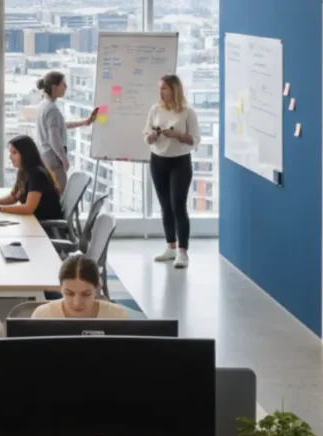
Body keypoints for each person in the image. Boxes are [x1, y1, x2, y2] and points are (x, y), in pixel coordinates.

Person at [144, 74, 201, 269]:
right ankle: (170, 246)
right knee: (165, 205)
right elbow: (146, 134)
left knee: (178, 205)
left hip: (180, 162)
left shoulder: (188, 112)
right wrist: (152, 136)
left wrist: (176, 135)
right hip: (158, 160)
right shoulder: (155, 109)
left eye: (164, 88)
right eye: (160, 88)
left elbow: (195, 140)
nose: (161, 92)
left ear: (174, 90)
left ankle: (183, 251)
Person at [35, 71, 98, 196]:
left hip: (46, 157)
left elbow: (61, 126)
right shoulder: (52, 109)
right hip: (54, 160)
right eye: (63, 84)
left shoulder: (44, 105)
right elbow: (54, 138)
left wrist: (85, 122)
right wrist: (64, 159)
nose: (66, 87)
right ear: (54, 87)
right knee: (60, 196)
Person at [0, 135, 63, 223]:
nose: (10, 157)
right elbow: (13, 197)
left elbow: (28, 208)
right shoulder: (24, 171)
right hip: (33, 220)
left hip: (44, 225)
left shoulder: (37, 174)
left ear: (26, 154)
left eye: (14, 153)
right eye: (10, 153)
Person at [32, 254, 130, 319]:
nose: (77, 303)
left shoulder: (117, 317)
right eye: (69, 293)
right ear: (60, 288)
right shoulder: (42, 316)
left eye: (86, 294)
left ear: (97, 289)